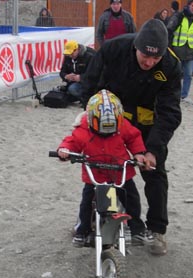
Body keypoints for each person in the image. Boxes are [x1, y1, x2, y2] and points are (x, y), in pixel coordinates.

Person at [82, 19, 182, 255]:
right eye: (145, 57)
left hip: (149, 125)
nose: (149, 62)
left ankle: (156, 229)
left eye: (155, 59)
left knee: (155, 174)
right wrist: (90, 120)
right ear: (136, 46)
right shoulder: (112, 49)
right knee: (102, 169)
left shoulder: (171, 66)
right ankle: (92, 224)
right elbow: (89, 85)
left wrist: (152, 150)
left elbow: (169, 112)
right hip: (113, 121)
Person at [57, 89, 152, 247]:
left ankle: (137, 229)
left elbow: (134, 138)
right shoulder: (83, 129)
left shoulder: (123, 125)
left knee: (132, 200)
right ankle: (83, 230)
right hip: (95, 174)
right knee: (87, 202)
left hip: (121, 172)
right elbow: (72, 141)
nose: (107, 132)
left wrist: (139, 154)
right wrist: (65, 151)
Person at [167, 0, 193, 100]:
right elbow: (169, 30)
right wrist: (169, 46)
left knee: (188, 74)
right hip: (177, 50)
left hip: (190, 51)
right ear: (188, 6)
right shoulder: (179, 16)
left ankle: (184, 95)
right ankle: (175, 92)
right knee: (176, 73)